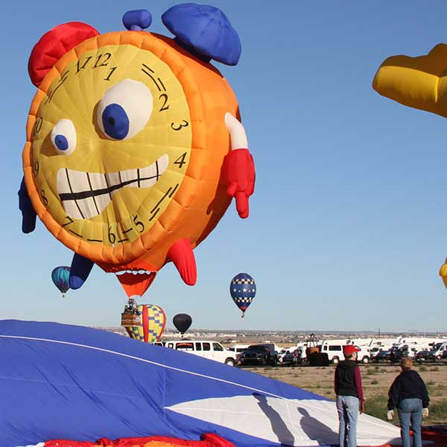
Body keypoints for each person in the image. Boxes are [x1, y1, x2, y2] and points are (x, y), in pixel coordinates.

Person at [387, 358, 429, 447]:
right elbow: (423, 390)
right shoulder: (416, 376)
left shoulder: (400, 378)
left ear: (401, 366)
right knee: (417, 429)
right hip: (417, 402)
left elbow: (394, 393)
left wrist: (391, 407)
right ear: (411, 365)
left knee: (405, 429)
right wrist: (425, 405)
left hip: (404, 403)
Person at [334, 345, 365, 447]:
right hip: (351, 397)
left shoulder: (339, 366)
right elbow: (358, 384)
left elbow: (336, 383)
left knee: (342, 422)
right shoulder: (355, 367)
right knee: (352, 424)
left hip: (340, 396)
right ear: (353, 354)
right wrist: (361, 399)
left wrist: (338, 393)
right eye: (355, 352)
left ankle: (342, 444)